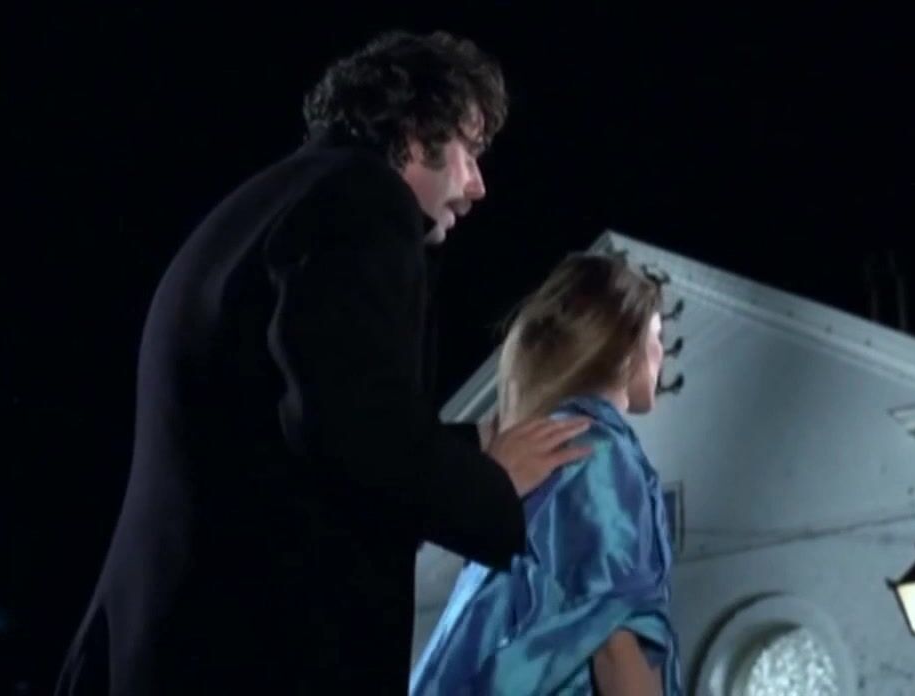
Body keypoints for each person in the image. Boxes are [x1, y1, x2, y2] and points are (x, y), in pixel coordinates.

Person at [54, 30, 591, 696]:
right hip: (244, 653)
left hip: (173, 638)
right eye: (470, 150)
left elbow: (286, 427)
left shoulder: (278, 196)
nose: (478, 186)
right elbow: (351, 429)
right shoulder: (361, 203)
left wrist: (469, 445)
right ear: (415, 131)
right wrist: (494, 484)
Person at [409, 254, 683, 695]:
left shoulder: (538, 449)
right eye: (657, 336)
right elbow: (617, 637)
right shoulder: (598, 449)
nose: (662, 353)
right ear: (626, 343)